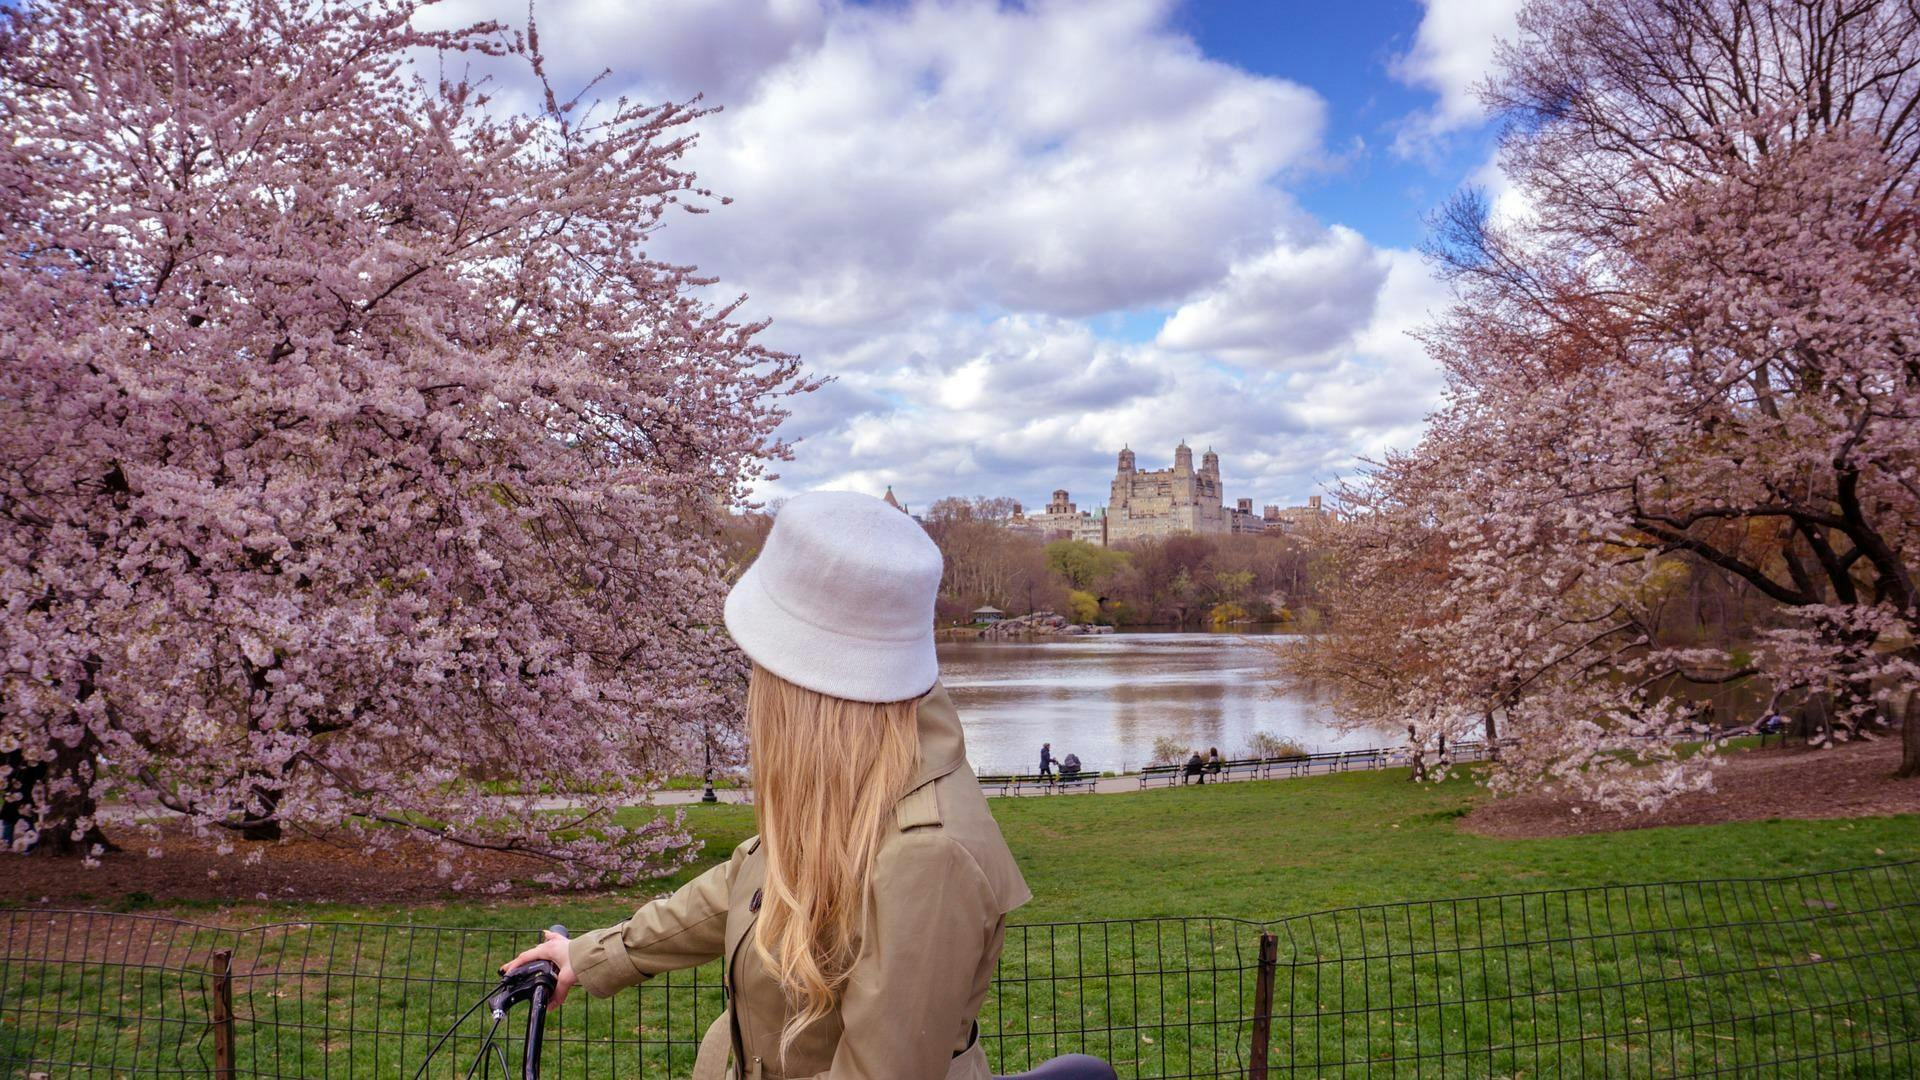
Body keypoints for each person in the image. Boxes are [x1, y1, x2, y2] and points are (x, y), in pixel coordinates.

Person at [500, 491, 1030, 1080]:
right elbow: (749, 883)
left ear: (802, 688)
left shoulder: (928, 855)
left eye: (761, 665)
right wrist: (591, 955)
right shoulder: (856, 785)